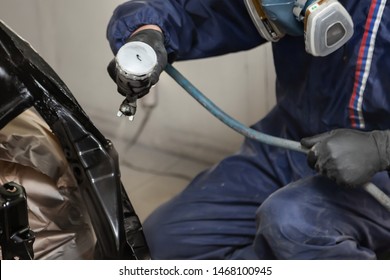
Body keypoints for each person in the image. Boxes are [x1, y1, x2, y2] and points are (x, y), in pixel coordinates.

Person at [106, 0, 390, 259]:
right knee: (165, 241)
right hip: (292, 143)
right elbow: (212, 11)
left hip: (380, 171)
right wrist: (148, 31)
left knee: (293, 222)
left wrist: (381, 149)